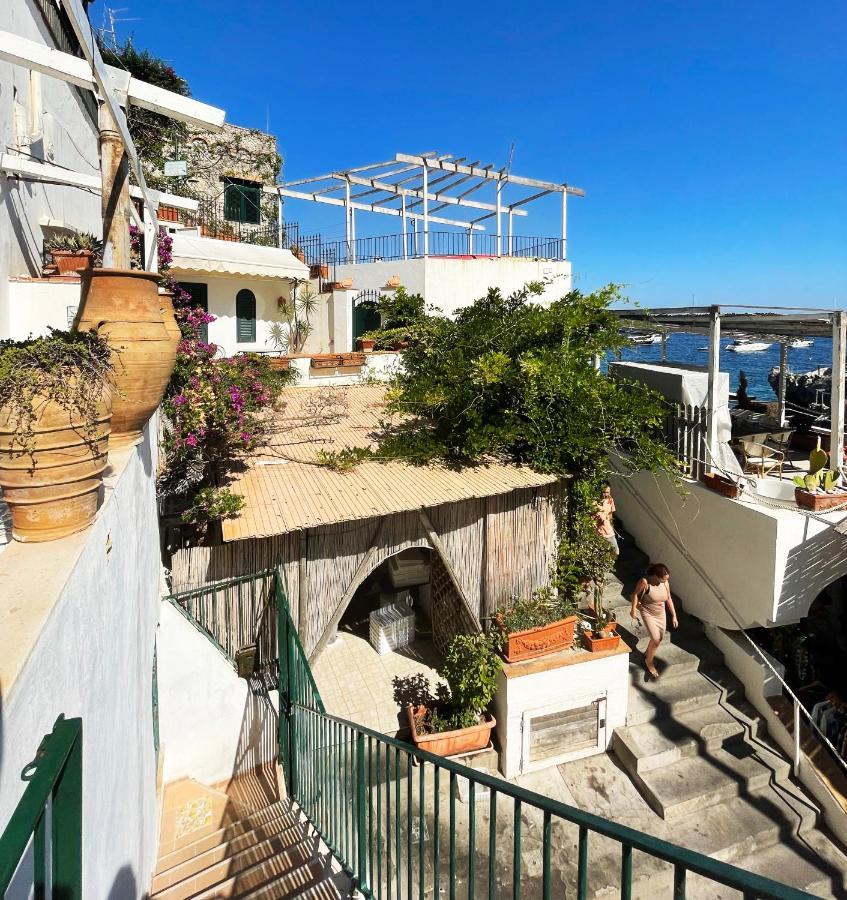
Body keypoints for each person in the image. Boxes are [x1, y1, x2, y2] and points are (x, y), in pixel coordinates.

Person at [630, 563, 678, 679]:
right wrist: (633, 609)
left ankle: (648, 652)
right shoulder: (645, 582)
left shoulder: (665, 583)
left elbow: (669, 599)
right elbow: (634, 595)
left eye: (666, 579)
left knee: (659, 638)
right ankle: (649, 662)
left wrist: (674, 616)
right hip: (648, 612)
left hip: (661, 613)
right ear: (656, 576)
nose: (665, 581)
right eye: (663, 579)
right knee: (656, 639)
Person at [594, 482, 619, 557]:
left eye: (608, 492)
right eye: (604, 492)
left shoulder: (610, 500)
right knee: (601, 555)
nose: (606, 494)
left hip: (609, 531)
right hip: (598, 533)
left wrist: (612, 525)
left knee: (616, 552)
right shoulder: (594, 502)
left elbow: (610, 515)